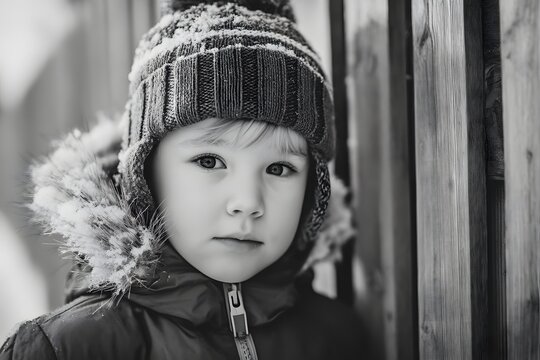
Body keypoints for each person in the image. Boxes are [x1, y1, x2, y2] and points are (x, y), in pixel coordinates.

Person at [0, 1, 365, 359]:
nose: (248, 201)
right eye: (209, 160)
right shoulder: (71, 347)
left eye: (279, 169)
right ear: (144, 174)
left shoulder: (337, 338)